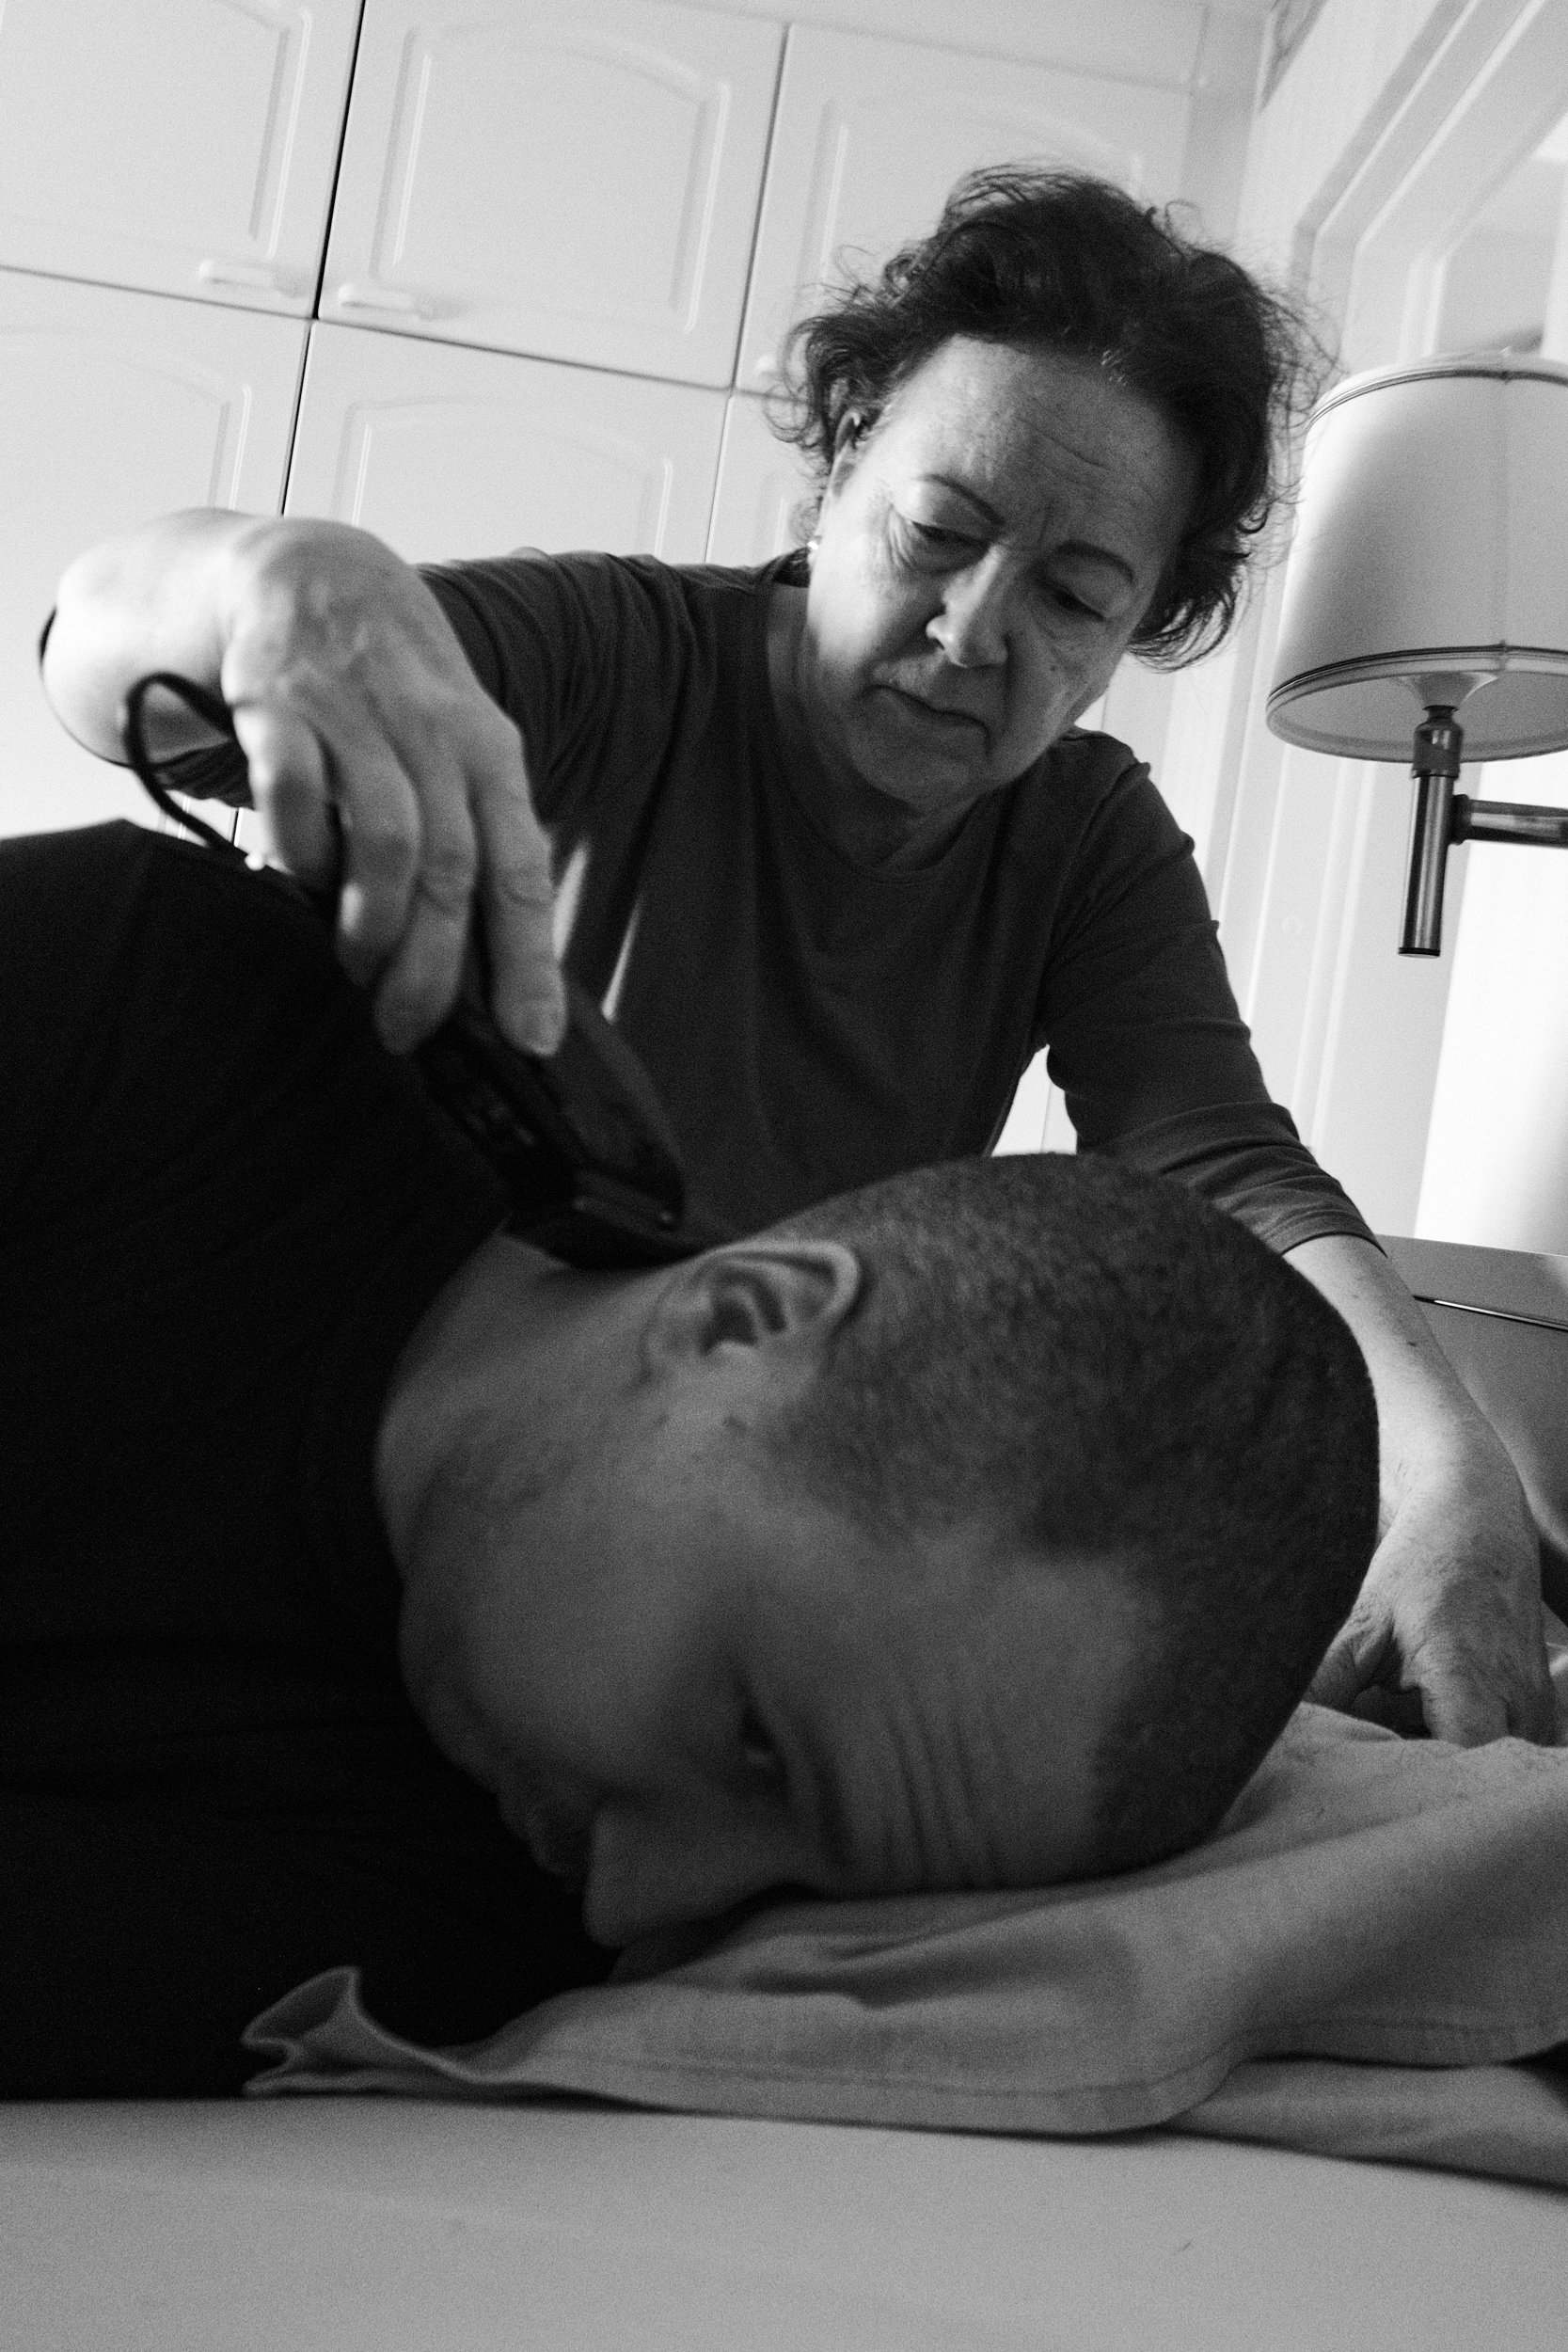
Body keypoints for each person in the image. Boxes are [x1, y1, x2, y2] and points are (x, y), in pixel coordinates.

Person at [39, 169, 1550, 1747]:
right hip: (369, 1436)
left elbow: (1226, 1167)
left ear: (1137, 632)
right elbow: (136, 686)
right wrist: (276, 582)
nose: (973, 632)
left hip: (694, 1526)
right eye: (938, 533)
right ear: (835, 474)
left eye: (1074, 598)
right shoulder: (613, 657)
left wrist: (1456, 1486)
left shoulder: (1085, 840)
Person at [0, 819, 1377, 2096]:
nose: (634, 1902)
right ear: (745, 1316)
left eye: (784, 1890)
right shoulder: (165, 1007)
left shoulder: (477, 1920)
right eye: (757, 1747)